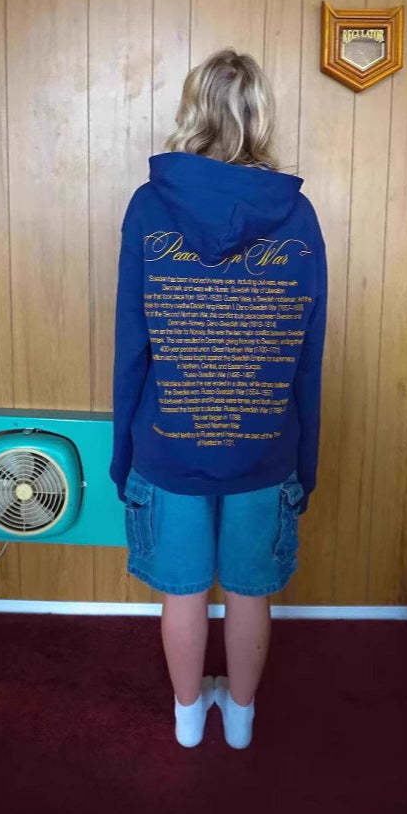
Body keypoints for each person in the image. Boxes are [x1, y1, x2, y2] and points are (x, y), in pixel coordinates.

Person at [109, 48, 328, 749]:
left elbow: (132, 342)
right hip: (264, 444)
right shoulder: (298, 215)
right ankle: (240, 717)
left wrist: (123, 453)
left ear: (192, 109)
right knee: (249, 592)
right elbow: (307, 352)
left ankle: (185, 718)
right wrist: (306, 460)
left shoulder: (149, 208)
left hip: (168, 440)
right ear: (259, 114)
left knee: (181, 593)